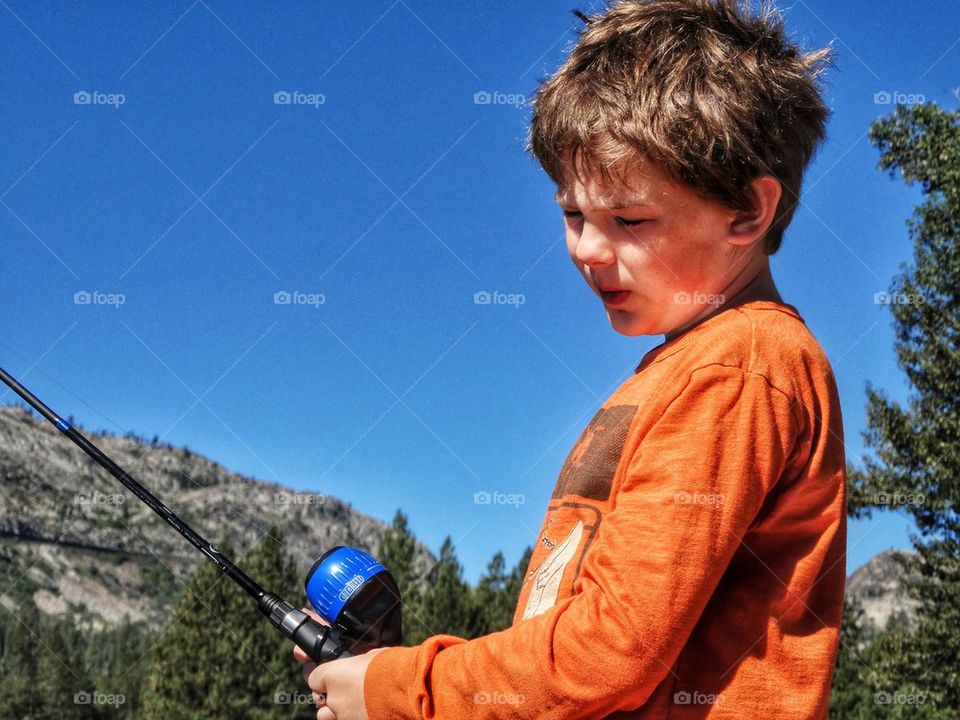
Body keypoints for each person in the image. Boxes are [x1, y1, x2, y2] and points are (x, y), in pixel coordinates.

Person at [296, 1, 845, 717]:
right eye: (572, 214)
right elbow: (582, 649)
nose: (586, 249)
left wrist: (403, 692)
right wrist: (396, 676)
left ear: (747, 210)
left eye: (629, 219)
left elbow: (609, 654)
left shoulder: (739, 367)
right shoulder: (687, 368)